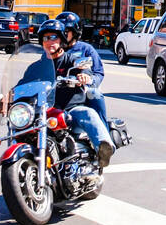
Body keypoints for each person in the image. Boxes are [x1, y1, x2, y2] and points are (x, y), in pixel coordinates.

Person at [38, 19, 115, 168]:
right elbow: (23, 82)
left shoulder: (72, 60)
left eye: (54, 37)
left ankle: (103, 147)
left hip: (71, 109)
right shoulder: (39, 65)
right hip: (46, 110)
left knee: (88, 113)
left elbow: (85, 69)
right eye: (46, 38)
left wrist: (84, 76)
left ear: (61, 40)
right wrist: (8, 98)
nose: (50, 42)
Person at [56, 11, 110, 131]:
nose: (61, 36)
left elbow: (98, 72)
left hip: (80, 90)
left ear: (75, 32)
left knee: (94, 94)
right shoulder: (53, 49)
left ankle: (103, 135)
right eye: (58, 33)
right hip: (56, 90)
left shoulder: (86, 49)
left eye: (65, 32)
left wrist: (88, 80)